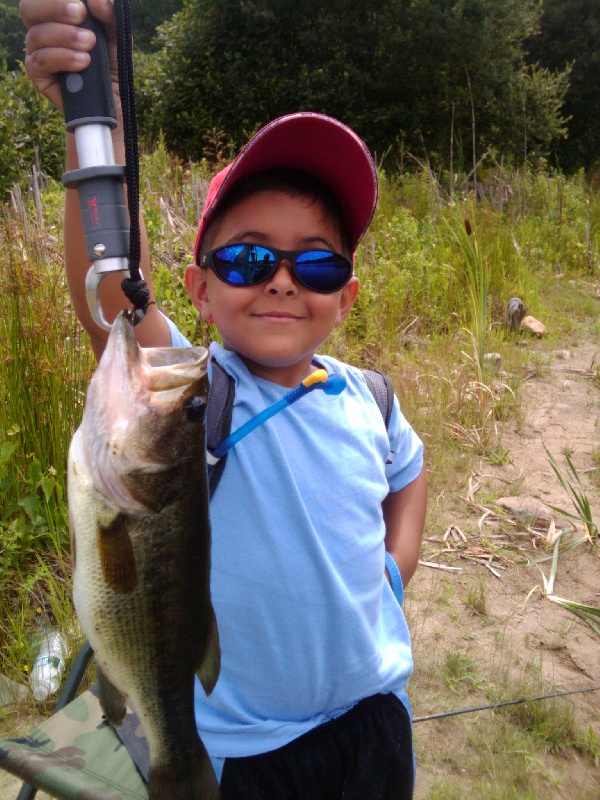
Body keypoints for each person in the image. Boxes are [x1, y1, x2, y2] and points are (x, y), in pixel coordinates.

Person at [20, 2, 427, 798]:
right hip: (243, 751)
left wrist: (395, 567)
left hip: (375, 719)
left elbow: (408, 473)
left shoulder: (369, 398)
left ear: (344, 298)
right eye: (247, 259)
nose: (281, 278)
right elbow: (109, 290)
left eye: (314, 265)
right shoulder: (198, 393)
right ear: (201, 291)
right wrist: (89, 108)